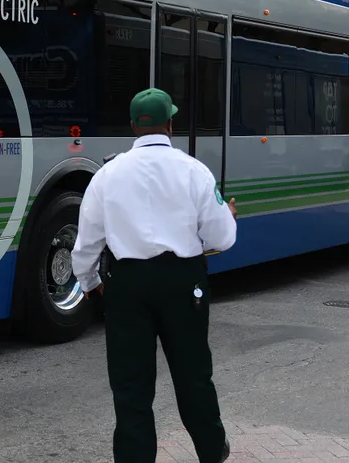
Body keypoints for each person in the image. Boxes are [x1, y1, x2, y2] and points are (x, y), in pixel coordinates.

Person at [72, 88, 238, 463]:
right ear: (171, 124)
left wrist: (93, 285)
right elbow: (222, 238)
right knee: (193, 375)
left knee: (131, 387)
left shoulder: (107, 175)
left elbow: (86, 245)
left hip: (127, 286)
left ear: (133, 126)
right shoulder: (194, 171)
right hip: (183, 283)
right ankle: (212, 451)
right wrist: (226, 214)